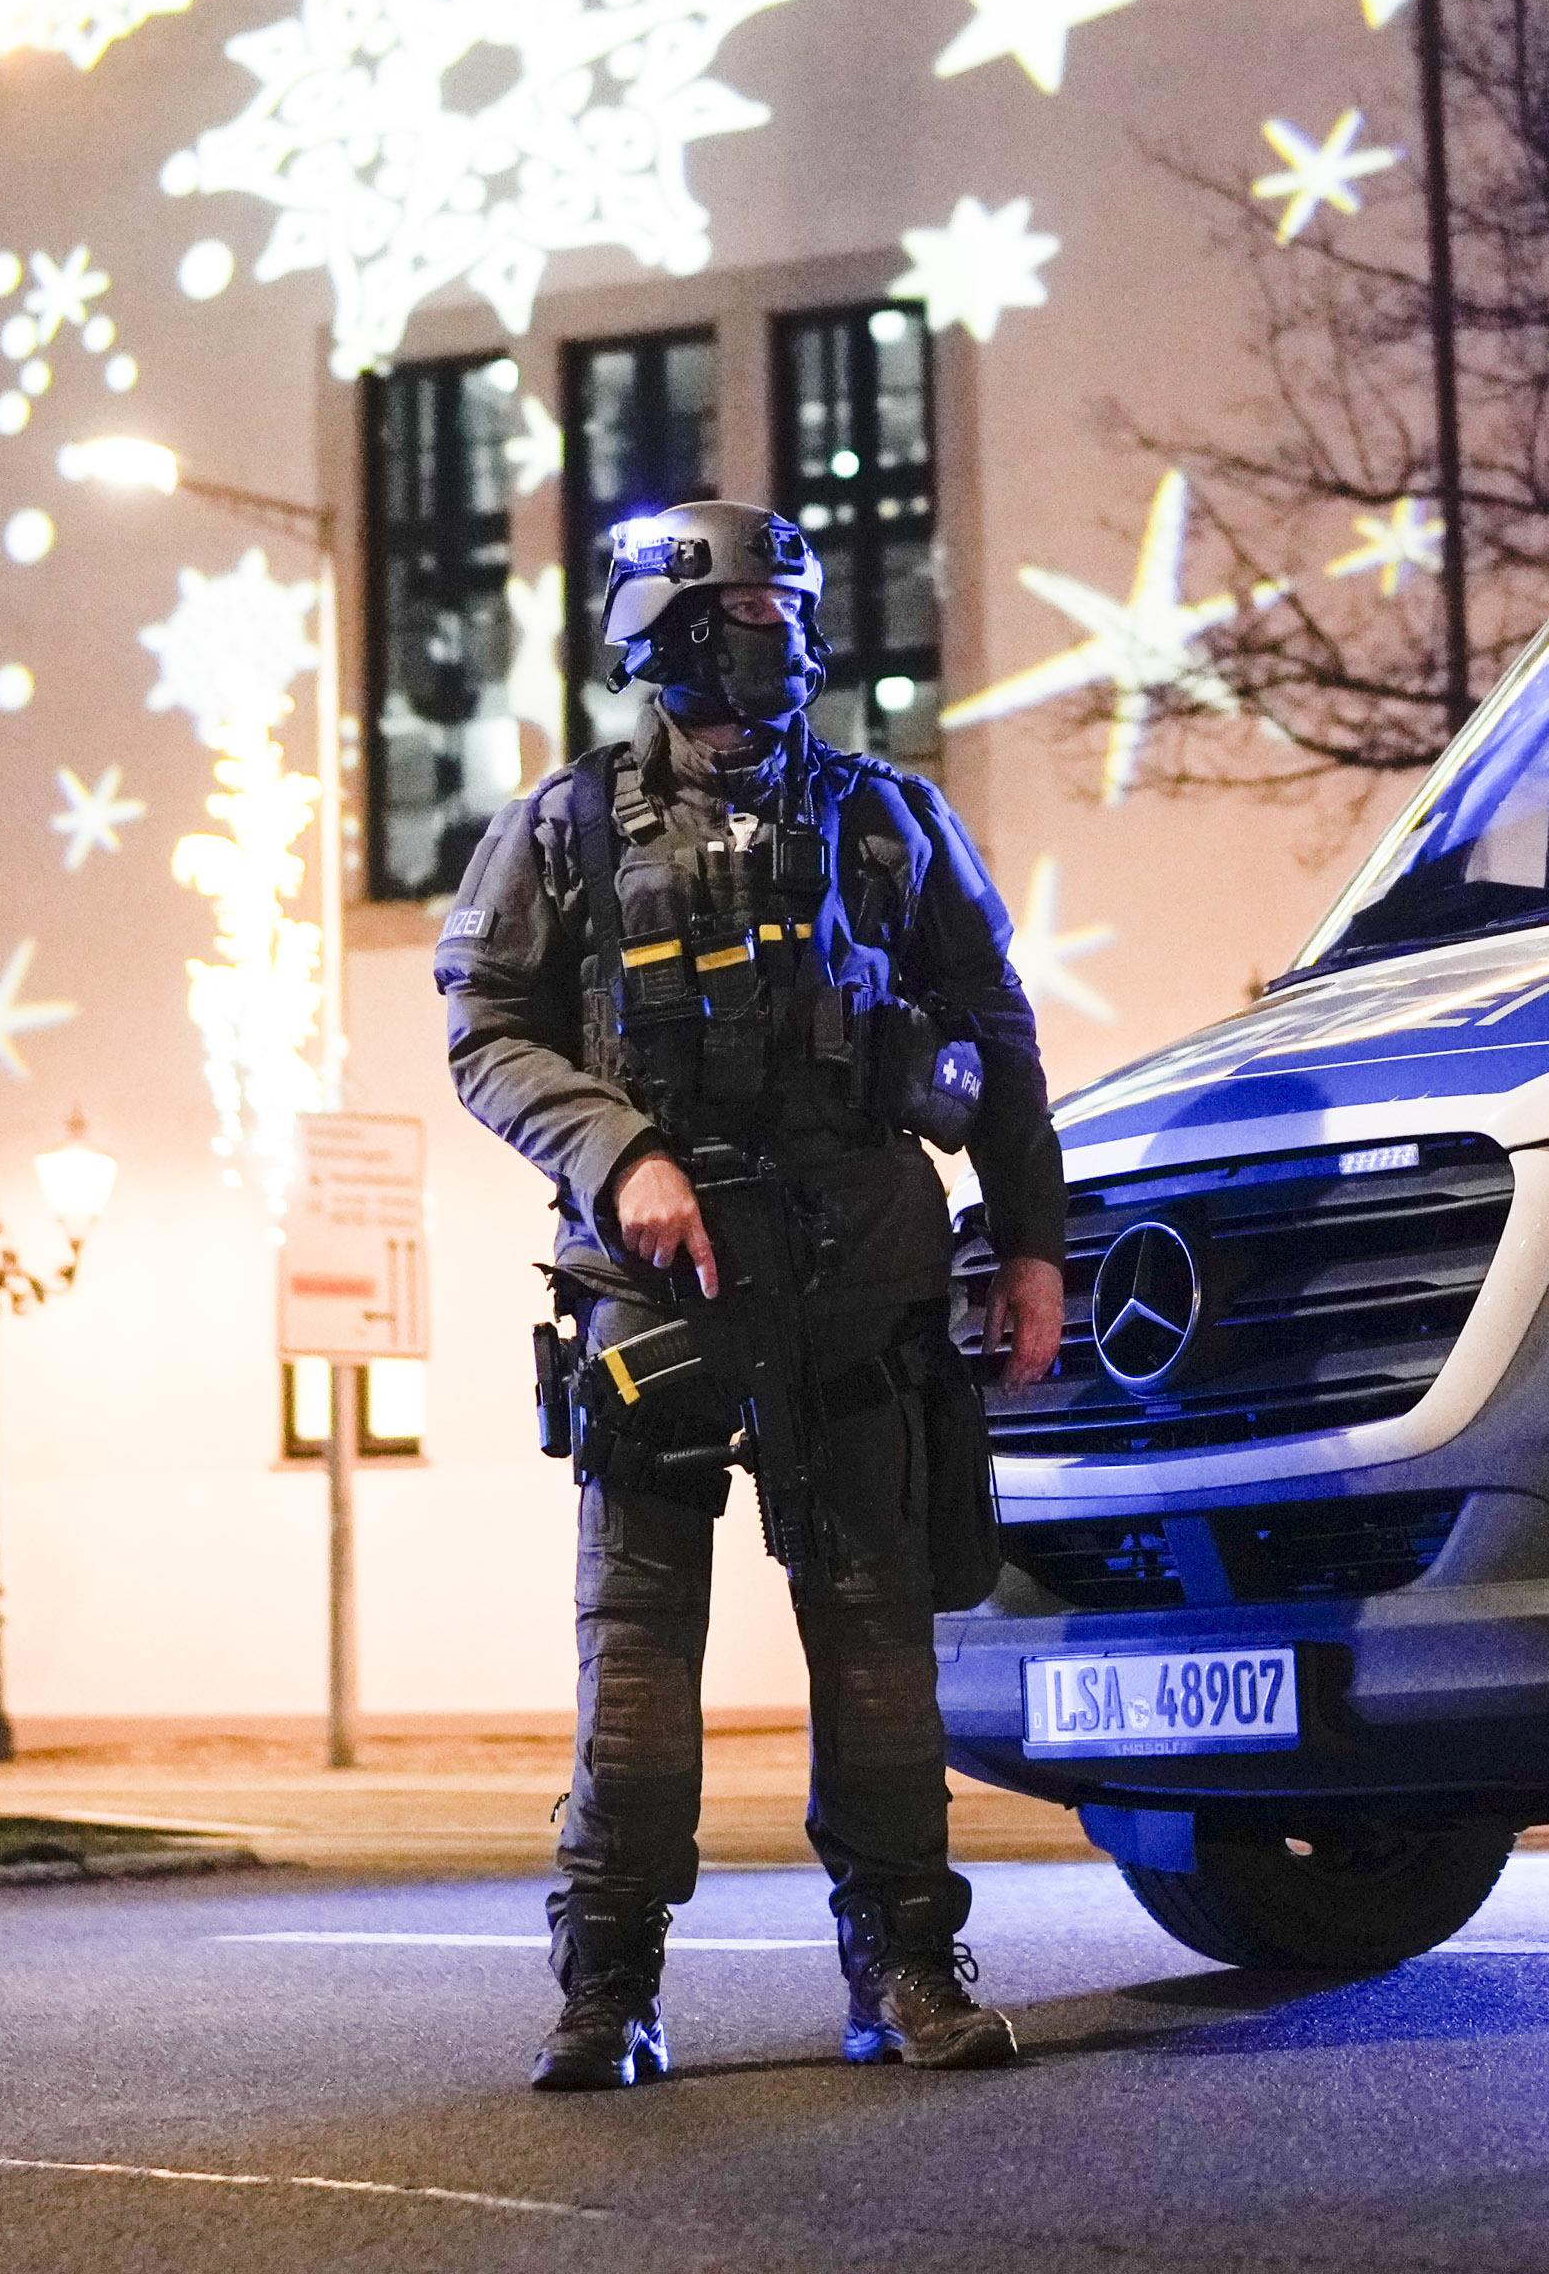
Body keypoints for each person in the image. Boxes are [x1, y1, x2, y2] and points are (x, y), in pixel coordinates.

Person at [441, 499, 1074, 2089]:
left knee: (875, 1648)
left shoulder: (892, 820)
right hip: (656, 1288)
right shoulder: (565, 829)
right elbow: (486, 1031)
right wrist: (618, 1150)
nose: (788, 638)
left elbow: (997, 1045)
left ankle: (906, 1967)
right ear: (666, 631)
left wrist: (1036, 1246)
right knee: (639, 1655)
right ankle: (607, 1989)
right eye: (753, 613)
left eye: (794, 613)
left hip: (859, 1290)